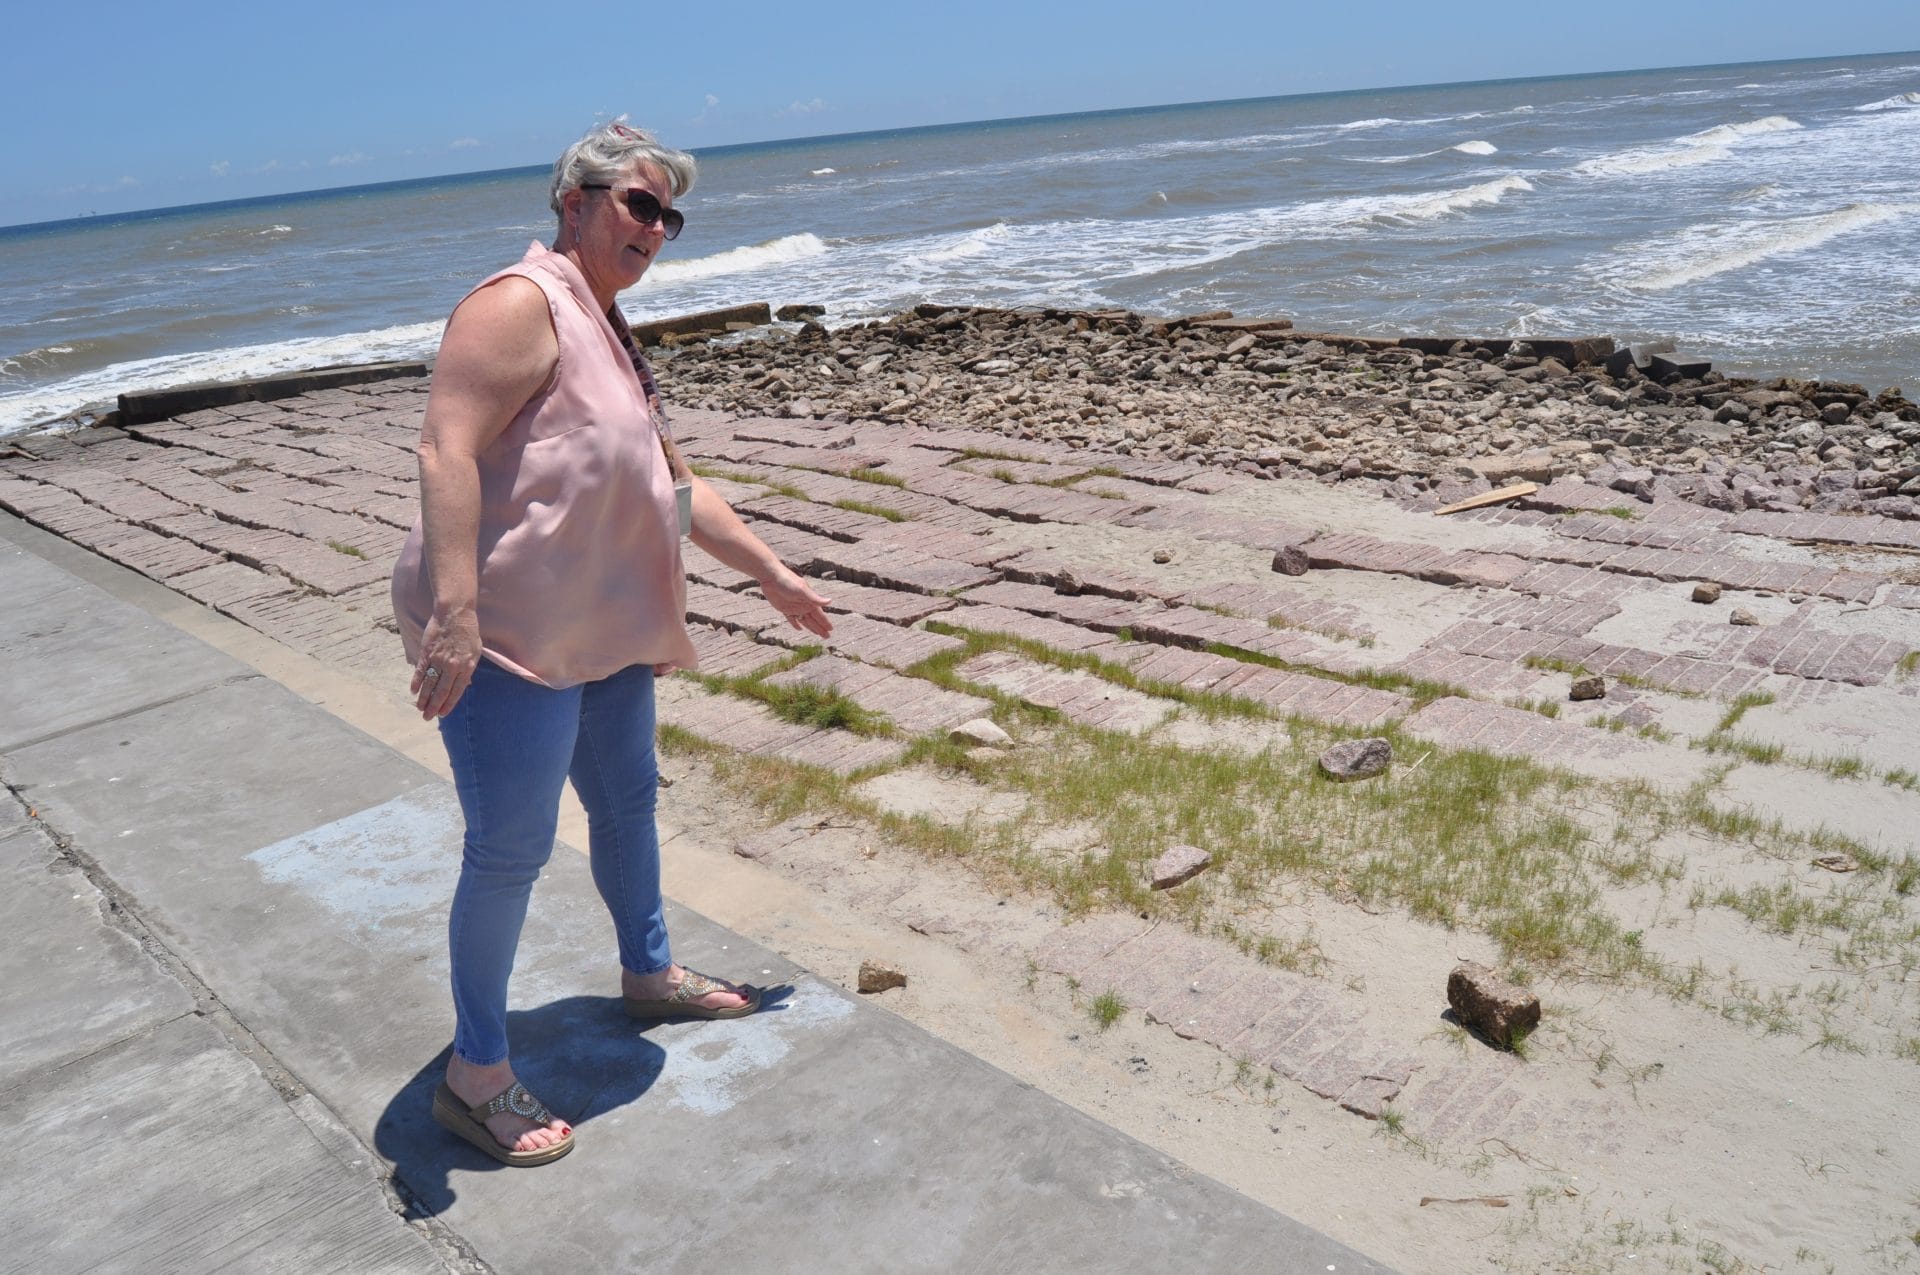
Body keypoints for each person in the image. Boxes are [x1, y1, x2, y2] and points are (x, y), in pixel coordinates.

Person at [390, 118, 832, 1167]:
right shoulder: (518, 303)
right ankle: (477, 1075)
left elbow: (676, 487)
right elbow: (444, 447)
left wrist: (771, 573)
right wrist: (455, 611)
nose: (657, 227)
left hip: (602, 625)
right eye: (639, 203)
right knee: (511, 850)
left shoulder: (609, 323)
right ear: (573, 203)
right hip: (507, 634)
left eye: (669, 214)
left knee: (628, 800)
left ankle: (649, 974)